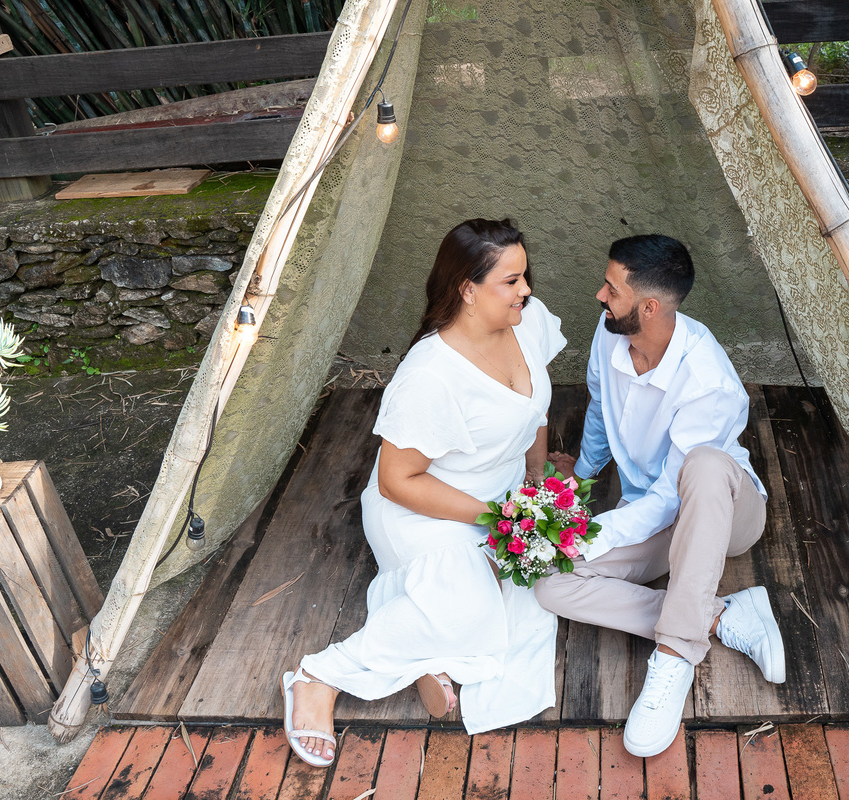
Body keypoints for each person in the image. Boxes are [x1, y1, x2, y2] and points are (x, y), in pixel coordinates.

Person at [281, 219, 566, 767]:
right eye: (511, 281)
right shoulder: (430, 375)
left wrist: (534, 485)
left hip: (501, 497)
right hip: (425, 508)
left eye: (524, 276)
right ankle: (319, 676)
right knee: (472, 610)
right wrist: (498, 516)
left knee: (535, 594)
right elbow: (397, 481)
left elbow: (536, 410)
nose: (526, 290)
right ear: (467, 289)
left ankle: (426, 662)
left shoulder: (526, 323)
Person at [537, 234, 784, 758]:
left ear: (649, 307)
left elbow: (673, 497)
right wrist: (578, 479)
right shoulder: (610, 334)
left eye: (611, 287)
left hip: (725, 512)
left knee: (706, 465)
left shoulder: (707, 379)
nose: (600, 295)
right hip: (652, 516)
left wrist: (595, 533)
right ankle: (717, 614)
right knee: (550, 584)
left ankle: (674, 656)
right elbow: (601, 408)